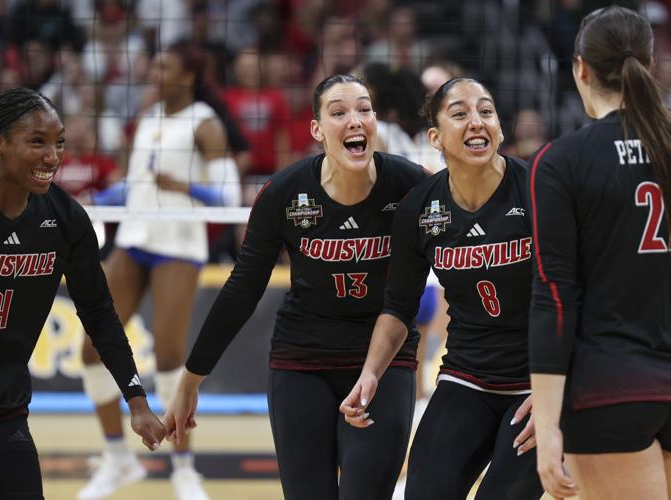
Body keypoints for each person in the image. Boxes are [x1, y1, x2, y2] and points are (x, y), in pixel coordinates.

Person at [527, 6, 671, 500]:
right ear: (650, 64)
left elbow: (554, 296)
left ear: (581, 69)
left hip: (607, 390)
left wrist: (548, 426)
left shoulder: (559, 163)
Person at [163, 74, 429, 500]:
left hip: (386, 359)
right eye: (339, 112)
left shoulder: (411, 185)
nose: (355, 120)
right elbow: (241, 291)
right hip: (301, 360)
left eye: (364, 109)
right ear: (317, 130)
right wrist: (191, 380)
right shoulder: (285, 194)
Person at [0, 87, 164, 500]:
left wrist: (136, 398)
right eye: (37, 142)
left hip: (4, 401)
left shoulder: (67, 219)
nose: (52, 157)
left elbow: (100, 314)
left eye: (58, 143)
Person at [339, 77, 542, 500]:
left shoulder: (540, 191)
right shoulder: (419, 209)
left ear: (500, 130)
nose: (477, 123)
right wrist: (370, 374)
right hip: (466, 377)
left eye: (486, 112)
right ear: (435, 137)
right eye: (461, 113)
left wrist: (559, 391)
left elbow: (577, 295)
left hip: (536, 382)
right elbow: (398, 307)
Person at [78, 41, 241, 500]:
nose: (154, 72)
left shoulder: (205, 123)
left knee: (171, 358)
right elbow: (134, 186)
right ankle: (117, 459)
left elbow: (229, 197)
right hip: (134, 238)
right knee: (91, 350)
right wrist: (95, 203)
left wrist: (183, 186)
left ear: (188, 76)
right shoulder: (149, 118)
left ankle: (184, 469)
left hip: (178, 244)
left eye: (164, 65)